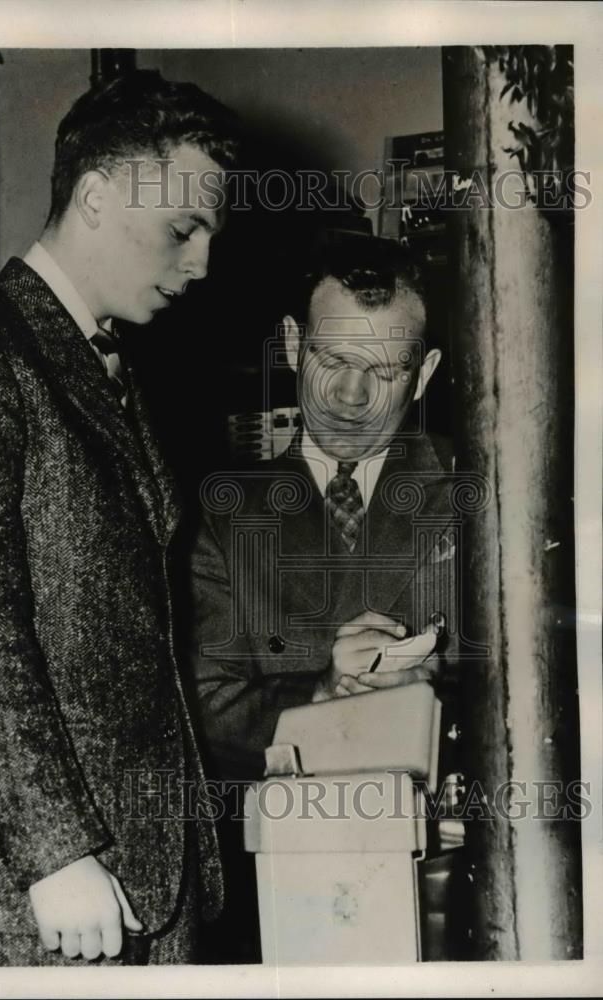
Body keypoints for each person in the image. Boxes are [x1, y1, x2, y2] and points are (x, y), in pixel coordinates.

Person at [0, 70, 239, 967]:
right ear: (92, 197)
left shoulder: (104, 361)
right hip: (43, 894)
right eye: (181, 229)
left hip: (149, 873)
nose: (200, 264)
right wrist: (55, 854)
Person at [189, 236, 460, 960]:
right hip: (279, 891)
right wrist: (326, 692)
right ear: (288, 343)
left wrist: (424, 698)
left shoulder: (481, 500)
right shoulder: (219, 516)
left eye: (381, 371)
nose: (346, 397)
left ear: (425, 371)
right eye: (331, 361)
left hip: (443, 884)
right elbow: (202, 710)